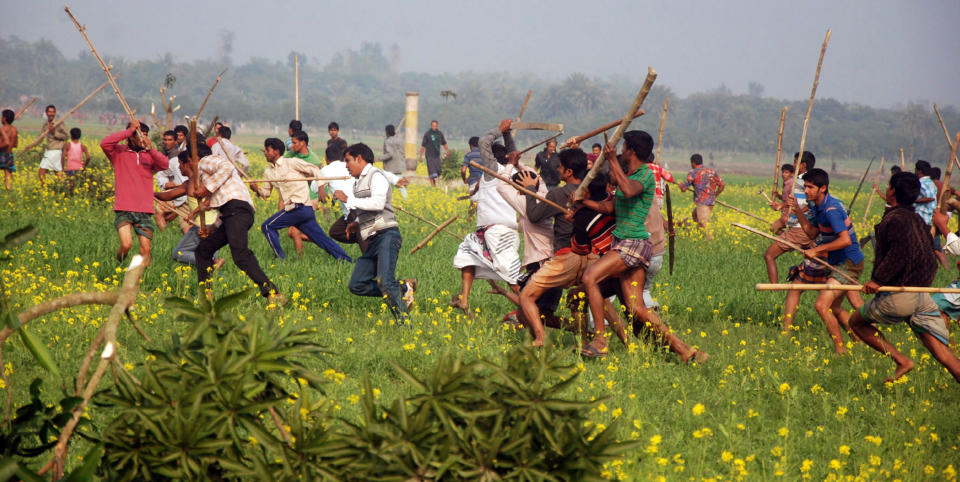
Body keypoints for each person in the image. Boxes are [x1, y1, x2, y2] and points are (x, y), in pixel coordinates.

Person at [579, 131, 703, 362]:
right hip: (626, 245)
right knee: (637, 309)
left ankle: (600, 340)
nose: (622, 151)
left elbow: (628, 190)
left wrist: (612, 160)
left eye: (624, 148)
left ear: (631, 151)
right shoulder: (630, 174)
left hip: (633, 245)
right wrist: (582, 202)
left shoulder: (645, 174)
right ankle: (685, 351)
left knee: (589, 278)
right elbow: (610, 207)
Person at [850, 172, 960, 384]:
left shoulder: (894, 219)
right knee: (944, 355)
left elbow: (899, 254)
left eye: (889, 186)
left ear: (891, 191)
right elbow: (928, 256)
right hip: (921, 295)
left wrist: (878, 280)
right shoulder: (917, 219)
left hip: (900, 296)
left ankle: (901, 360)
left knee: (855, 322)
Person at [184, 135, 280, 302]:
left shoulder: (205, 161)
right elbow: (225, 209)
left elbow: (228, 167)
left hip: (238, 211)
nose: (182, 168)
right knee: (203, 250)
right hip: (234, 213)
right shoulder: (209, 175)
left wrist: (207, 189)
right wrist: (211, 228)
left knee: (240, 255)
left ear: (193, 159)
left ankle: (273, 293)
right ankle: (206, 297)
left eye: (182, 164)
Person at [782, 168, 865, 354]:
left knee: (821, 305)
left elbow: (845, 240)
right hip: (838, 263)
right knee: (835, 307)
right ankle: (860, 340)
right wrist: (797, 211)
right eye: (806, 187)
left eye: (811, 187)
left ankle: (840, 350)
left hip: (848, 262)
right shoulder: (819, 207)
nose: (806, 191)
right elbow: (812, 233)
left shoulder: (831, 209)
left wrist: (817, 250)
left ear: (823, 188)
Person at [334, 143, 416, 323]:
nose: (346, 165)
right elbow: (367, 210)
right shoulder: (358, 182)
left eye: (348, 161)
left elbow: (378, 204)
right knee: (356, 285)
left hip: (387, 235)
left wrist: (348, 199)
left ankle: (405, 326)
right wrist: (356, 223)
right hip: (372, 240)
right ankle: (402, 288)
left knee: (385, 283)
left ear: (360, 159)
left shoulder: (376, 176)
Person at [451, 119, 521, 313]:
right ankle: (464, 299)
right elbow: (513, 153)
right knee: (467, 253)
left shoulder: (496, 172)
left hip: (500, 232)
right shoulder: (512, 172)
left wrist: (500, 130)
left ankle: (528, 306)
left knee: (511, 274)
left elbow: (483, 142)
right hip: (487, 231)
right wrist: (507, 135)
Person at [253, 138, 351, 261]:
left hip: (300, 207)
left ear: (276, 151)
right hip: (297, 211)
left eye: (268, 150)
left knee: (267, 227)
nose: (265, 153)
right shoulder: (268, 171)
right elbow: (266, 193)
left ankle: (279, 258)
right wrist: (256, 189)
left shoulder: (291, 163)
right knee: (321, 239)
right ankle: (346, 260)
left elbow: (315, 170)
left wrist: (321, 187)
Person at [100, 119, 169, 267]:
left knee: (146, 249)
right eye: (138, 135)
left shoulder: (150, 155)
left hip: (144, 209)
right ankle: (117, 266)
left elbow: (164, 164)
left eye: (145, 135)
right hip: (124, 208)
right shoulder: (118, 153)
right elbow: (104, 143)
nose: (142, 138)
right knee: (126, 245)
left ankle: (142, 278)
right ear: (130, 136)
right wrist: (128, 131)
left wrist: (150, 148)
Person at [153, 154, 223, 268]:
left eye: (180, 164)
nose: (179, 168)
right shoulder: (189, 183)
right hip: (216, 225)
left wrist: (193, 213)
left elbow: (209, 202)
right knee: (210, 263)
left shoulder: (200, 181)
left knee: (179, 254)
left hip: (204, 225)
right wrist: (153, 194)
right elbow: (168, 196)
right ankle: (215, 270)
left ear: (187, 164)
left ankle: (212, 262)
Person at [764, 152, 815, 283]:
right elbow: (799, 203)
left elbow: (810, 204)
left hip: (800, 230)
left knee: (769, 255)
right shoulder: (807, 179)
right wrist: (783, 205)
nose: (793, 165)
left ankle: (773, 290)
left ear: (803, 165)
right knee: (818, 259)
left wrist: (784, 206)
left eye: (795, 162)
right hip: (807, 229)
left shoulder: (805, 181)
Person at [284, 130, 324, 255]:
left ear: (303, 143)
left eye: (295, 143)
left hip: (309, 198)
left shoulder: (313, 159)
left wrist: (322, 189)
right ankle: (323, 242)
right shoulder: (290, 155)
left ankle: (300, 260)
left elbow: (320, 177)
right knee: (298, 231)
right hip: (296, 198)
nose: (292, 146)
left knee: (293, 231)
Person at [679, 153, 724, 240]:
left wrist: (681, 186)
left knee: (703, 222)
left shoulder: (693, 172)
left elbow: (684, 189)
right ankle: (699, 236)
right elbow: (722, 185)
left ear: (693, 163)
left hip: (702, 202)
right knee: (695, 215)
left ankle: (710, 241)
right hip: (711, 202)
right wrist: (715, 195)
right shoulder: (711, 171)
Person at [914, 160, 947, 268]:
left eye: (915, 170)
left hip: (923, 219)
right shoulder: (930, 182)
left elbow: (930, 197)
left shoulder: (922, 183)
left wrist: (913, 200)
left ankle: (945, 268)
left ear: (919, 171)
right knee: (934, 246)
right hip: (929, 218)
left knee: (934, 247)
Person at [38, 105, 69, 186]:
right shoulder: (45, 124)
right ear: (46, 113)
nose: (51, 114)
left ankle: (43, 188)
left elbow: (66, 136)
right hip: (49, 150)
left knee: (42, 171)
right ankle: (64, 187)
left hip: (56, 150)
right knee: (57, 172)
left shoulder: (59, 123)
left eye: (53, 112)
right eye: (50, 112)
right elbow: (41, 136)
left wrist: (55, 132)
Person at [418, 120, 450, 186]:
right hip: (429, 156)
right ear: (431, 126)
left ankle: (435, 185)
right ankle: (433, 186)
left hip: (437, 155)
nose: (434, 127)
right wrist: (420, 156)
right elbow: (423, 146)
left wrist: (448, 151)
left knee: (438, 171)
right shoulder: (427, 134)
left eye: (435, 126)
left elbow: (444, 143)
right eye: (433, 126)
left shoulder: (439, 134)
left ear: (437, 126)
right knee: (432, 172)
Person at [768, 164, 795, 235]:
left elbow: (791, 201)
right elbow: (785, 199)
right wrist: (778, 195)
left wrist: (780, 205)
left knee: (773, 228)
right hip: (784, 213)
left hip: (789, 214)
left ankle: (788, 239)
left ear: (792, 174)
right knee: (778, 231)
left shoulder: (791, 184)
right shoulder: (786, 183)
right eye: (783, 172)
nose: (783, 174)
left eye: (786, 172)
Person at [0, 109, 19, 190]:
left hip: (2, 153)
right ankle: (9, 191)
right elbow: (15, 144)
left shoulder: (2, 129)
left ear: (4, 118)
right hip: (10, 154)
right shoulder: (14, 129)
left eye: (2, 117)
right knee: (8, 173)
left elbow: (6, 142)